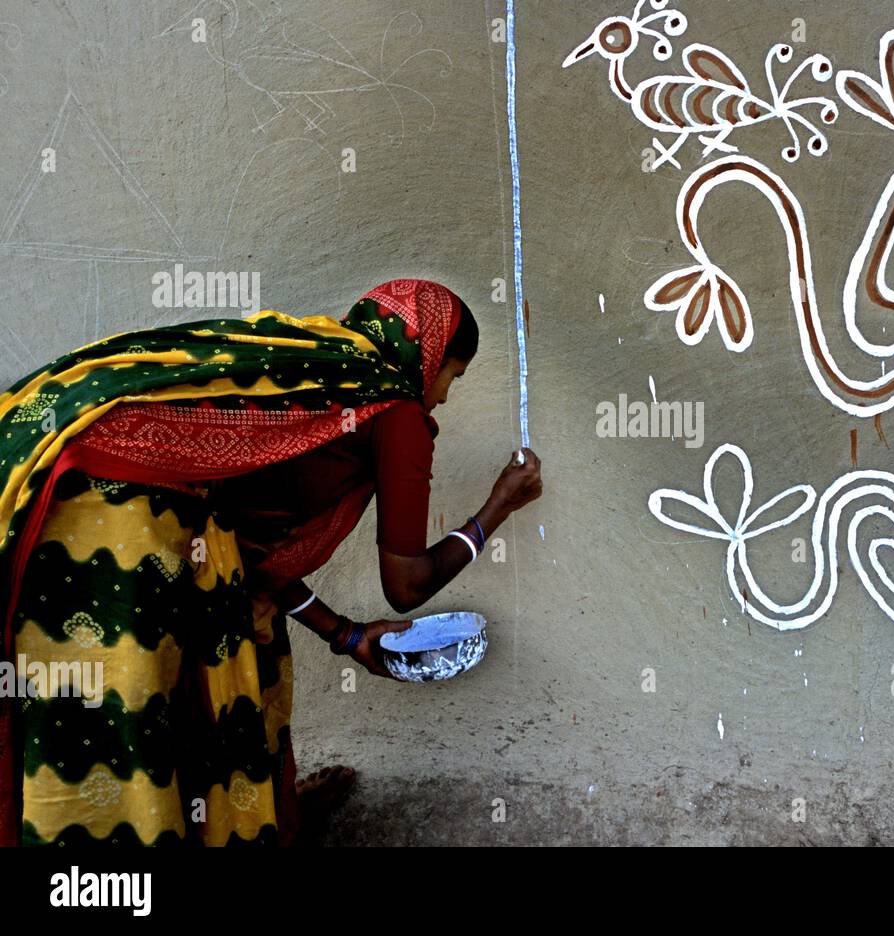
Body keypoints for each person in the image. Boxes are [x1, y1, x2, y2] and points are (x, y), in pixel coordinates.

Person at [0, 278, 542, 845]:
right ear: (428, 356)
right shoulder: (393, 407)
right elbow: (405, 587)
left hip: (54, 496)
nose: (445, 398)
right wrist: (498, 506)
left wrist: (347, 636)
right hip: (114, 525)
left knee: (232, 660)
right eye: (452, 375)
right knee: (118, 734)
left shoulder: (309, 366)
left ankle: (262, 817)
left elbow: (253, 558)